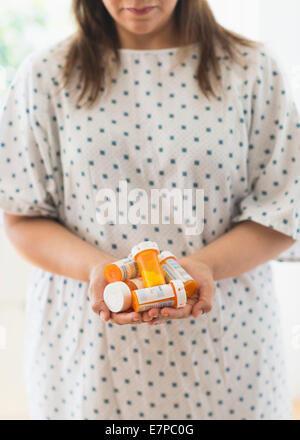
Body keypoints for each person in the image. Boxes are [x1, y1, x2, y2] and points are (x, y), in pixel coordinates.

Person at [0, 0, 299, 420]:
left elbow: (284, 209)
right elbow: (21, 215)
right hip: (85, 355)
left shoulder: (252, 69)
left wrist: (204, 267)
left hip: (228, 349)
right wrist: (99, 270)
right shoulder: (47, 75)